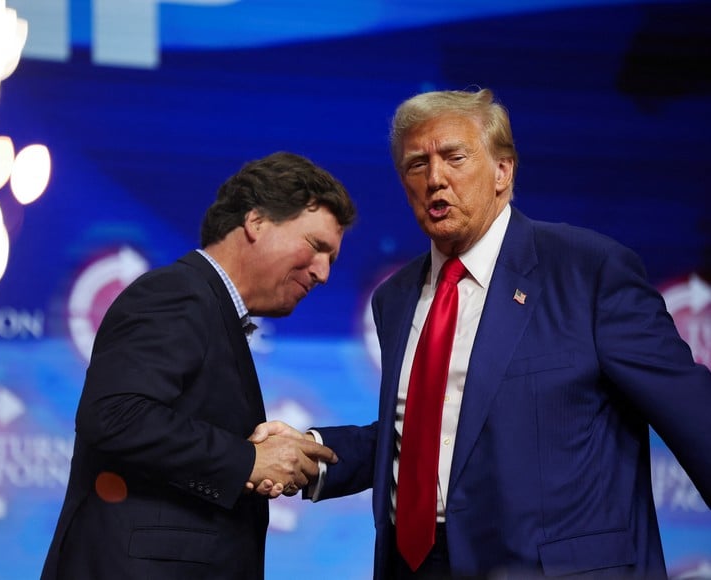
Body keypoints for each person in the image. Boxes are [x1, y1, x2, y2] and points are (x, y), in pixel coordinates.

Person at [252, 88, 711, 578]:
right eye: (416, 165)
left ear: (502, 171)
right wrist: (316, 452)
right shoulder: (397, 298)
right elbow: (432, 432)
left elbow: (694, 413)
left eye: (454, 157)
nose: (435, 179)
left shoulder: (587, 271)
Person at [41, 151, 356, 580]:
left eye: (332, 259)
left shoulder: (214, 310)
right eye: (317, 247)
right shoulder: (178, 293)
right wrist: (247, 460)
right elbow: (113, 415)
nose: (323, 274)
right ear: (257, 221)